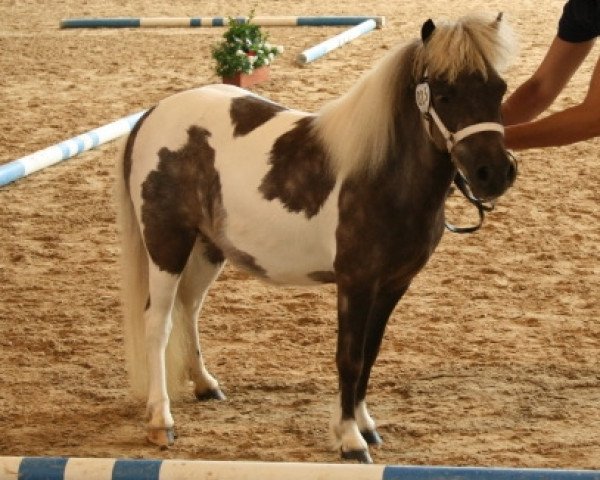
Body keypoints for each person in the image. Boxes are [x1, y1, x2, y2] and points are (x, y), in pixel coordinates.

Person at [502, 0, 600, 150]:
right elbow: (538, 91)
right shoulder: (585, 7)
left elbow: (594, 117)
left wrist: (489, 139)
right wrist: (470, 128)